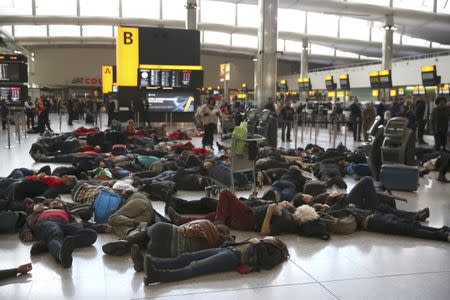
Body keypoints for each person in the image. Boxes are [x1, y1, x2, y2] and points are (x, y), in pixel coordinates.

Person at [168, 189, 329, 239]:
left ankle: (218, 223)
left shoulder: (286, 223)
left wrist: (270, 211)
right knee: (218, 213)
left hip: (249, 218)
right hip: (247, 214)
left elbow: (264, 232)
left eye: (297, 214)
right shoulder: (290, 218)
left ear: (300, 221)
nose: (294, 213)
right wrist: (281, 206)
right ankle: (182, 220)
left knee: (225, 194)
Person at [139, 236, 289, 284]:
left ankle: (157, 275)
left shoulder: (277, 252)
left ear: (277, 242)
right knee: (188, 257)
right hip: (227, 250)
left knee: (194, 267)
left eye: (272, 237)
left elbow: (268, 263)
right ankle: (153, 263)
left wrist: (259, 245)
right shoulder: (264, 242)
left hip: (233, 258)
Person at [21, 199, 98, 268]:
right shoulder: (40, 212)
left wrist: (101, 227)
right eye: (53, 202)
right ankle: (61, 255)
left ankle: (59, 243)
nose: (56, 203)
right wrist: (26, 233)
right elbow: (26, 225)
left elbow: (82, 224)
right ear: (48, 206)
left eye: (59, 202)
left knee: (92, 234)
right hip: (48, 222)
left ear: (63, 206)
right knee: (55, 234)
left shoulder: (68, 213)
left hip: (66, 223)